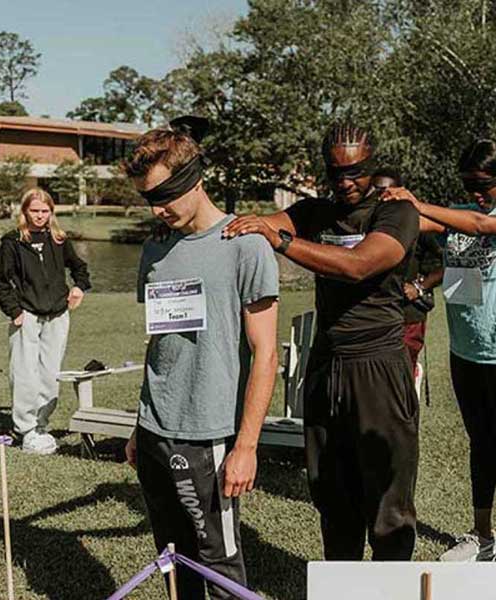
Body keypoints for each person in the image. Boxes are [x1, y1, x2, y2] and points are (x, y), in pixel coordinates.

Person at [223, 122, 421, 561]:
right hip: (326, 364)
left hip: (378, 365)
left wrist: (281, 240)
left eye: (356, 172)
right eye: (336, 173)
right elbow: (245, 227)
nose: (346, 182)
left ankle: (389, 592)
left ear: (373, 166)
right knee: (332, 495)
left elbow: (359, 265)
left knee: (388, 501)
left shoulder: (396, 213)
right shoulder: (315, 212)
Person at [121, 121, 280, 600]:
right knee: (174, 560)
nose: (158, 207)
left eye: (165, 194)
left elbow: (266, 352)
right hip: (154, 431)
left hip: (206, 436)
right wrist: (139, 424)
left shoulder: (245, 244)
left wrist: (246, 445)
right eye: (148, 198)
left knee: (219, 564)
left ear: (194, 178)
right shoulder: (156, 247)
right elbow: (162, 344)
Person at [382, 139, 496, 567]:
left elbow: (479, 225)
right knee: (480, 444)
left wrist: (420, 204)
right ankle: (482, 535)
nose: (474, 191)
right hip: (468, 348)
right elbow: (451, 247)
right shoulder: (461, 214)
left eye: (481, 183)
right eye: (467, 183)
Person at [0, 188, 91, 455]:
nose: (39, 216)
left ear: (51, 213)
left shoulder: (58, 239)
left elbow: (80, 268)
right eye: (34, 211)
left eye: (45, 211)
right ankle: (25, 430)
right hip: (27, 316)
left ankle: (41, 426)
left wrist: (79, 288)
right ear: (24, 211)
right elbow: (1, 283)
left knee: (49, 375)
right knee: (24, 374)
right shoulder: (12, 242)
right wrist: (14, 310)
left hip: (57, 315)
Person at [371, 168, 443, 394]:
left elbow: (449, 260)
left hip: (408, 314)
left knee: (401, 376)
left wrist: (420, 286)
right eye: (377, 191)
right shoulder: (368, 222)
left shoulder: (418, 225)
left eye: (388, 191)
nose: (383, 197)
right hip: (375, 311)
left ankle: (410, 384)